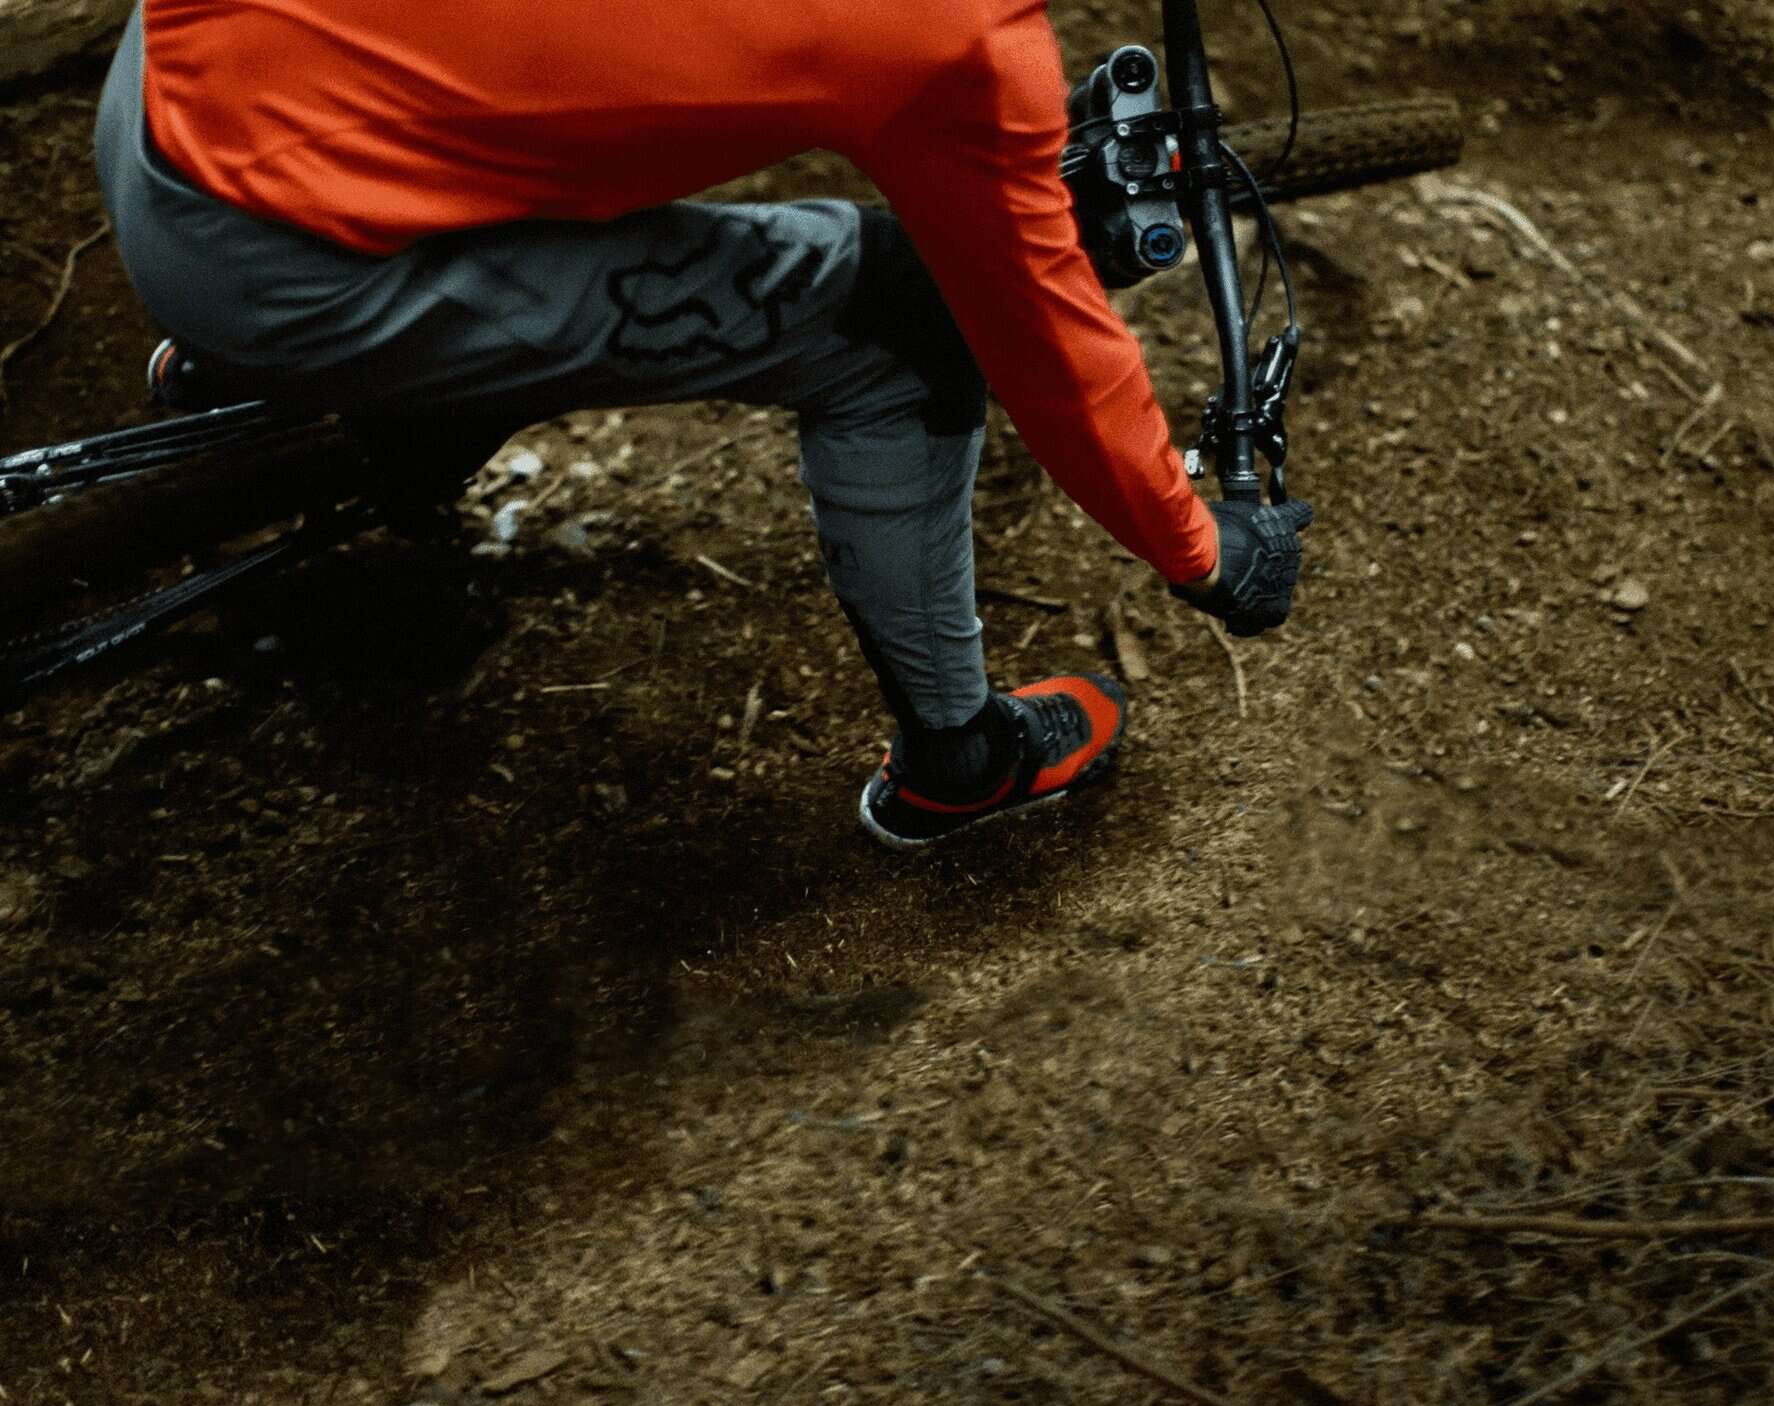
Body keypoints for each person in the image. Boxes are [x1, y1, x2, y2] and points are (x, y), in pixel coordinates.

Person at [95, 0, 1313, 851]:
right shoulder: (952, 36)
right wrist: (1205, 550)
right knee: (908, 321)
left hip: (170, 91)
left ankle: (251, 367)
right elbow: (1050, 351)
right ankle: (959, 762)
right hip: (283, 260)